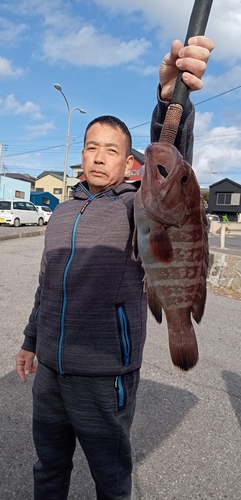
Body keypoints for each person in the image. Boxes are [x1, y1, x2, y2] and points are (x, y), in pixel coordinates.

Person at [16, 35, 214, 500]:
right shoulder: (63, 213)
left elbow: (172, 161)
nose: (99, 156)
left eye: (111, 150)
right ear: (80, 155)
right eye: (91, 147)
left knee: (111, 477)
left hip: (106, 374)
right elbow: (48, 287)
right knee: (48, 469)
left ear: (130, 164)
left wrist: (169, 101)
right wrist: (30, 343)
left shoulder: (136, 206)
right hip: (49, 373)